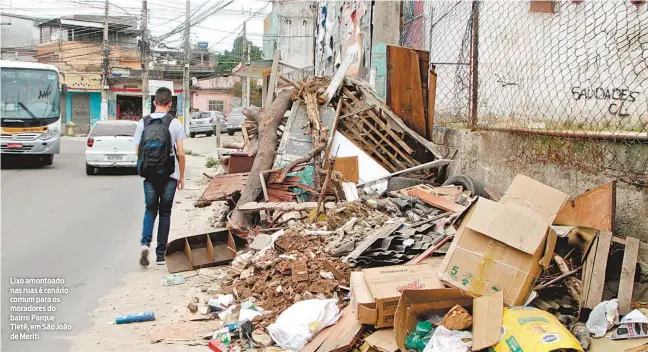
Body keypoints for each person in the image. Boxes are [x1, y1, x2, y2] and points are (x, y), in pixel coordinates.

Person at [134, 87, 186, 266]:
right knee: (165, 213)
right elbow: (181, 153)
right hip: (170, 174)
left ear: (154, 103)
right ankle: (160, 255)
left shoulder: (143, 122)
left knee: (150, 210)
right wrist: (181, 176)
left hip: (149, 175)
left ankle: (144, 244)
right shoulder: (175, 123)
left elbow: (137, 151)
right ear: (170, 104)